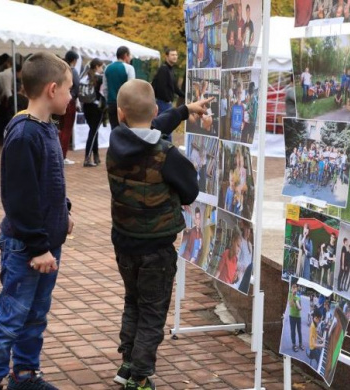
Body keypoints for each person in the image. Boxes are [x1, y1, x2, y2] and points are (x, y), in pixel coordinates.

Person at [0, 52, 74, 390]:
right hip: (27, 248)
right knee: (11, 318)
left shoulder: (47, 127)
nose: (71, 96)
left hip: (47, 242)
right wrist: (37, 246)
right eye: (69, 89)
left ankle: (25, 375)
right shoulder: (23, 134)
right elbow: (19, 198)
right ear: (51, 89)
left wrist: (65, 210)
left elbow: (49, 179)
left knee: (35, 316)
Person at [107, 79, 210, 390]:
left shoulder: (114, 141)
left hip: (124, 243)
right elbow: (190, 190)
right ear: (154, 109)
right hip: (157, 249)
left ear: (120, 114)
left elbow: (148, 126)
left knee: (133, 301)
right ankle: (139, 376)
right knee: (153, 310)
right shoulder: (167, 155)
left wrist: (182, 111)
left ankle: (127, 362)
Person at [102, 46, 135, 131]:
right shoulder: (129, 68)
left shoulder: (107, 68)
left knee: (114, 130)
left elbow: (105, 88)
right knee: (126, 131)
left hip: (111, 103)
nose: (130, 58)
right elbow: (131, 88)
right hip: (125, 105)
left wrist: (108, 100)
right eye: (130, 55)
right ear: (125, 55)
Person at [81, 58, 105, 167]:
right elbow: (103, 93)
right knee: (93, 132)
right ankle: (87, 157)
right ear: (97, 67)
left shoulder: (85, 76)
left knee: (93, 130)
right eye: (101, 67)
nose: (102, 69)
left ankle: (96, 156)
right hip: (96, 107)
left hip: (86, 106)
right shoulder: (99, 78)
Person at [59, 50, 80, 165]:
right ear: (74, 60)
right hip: (69, 102)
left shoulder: (60, 70)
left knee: (60, 128)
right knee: (67, 129)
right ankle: (62, 155)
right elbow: (76, 86)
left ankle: (58, 154)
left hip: (58, 101)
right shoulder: (73, 71)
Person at [151, 48, 183, 118]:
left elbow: (175, 87)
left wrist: (184, 95)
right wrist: (167, 99)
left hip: (167, 103)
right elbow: (161, 88)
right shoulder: (163, 69)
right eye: (172, 55)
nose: (175, 57)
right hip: (162, 103)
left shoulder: (171, 69)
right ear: (166, 57)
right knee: (162, 125)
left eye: (176, 55)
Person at [288, 283, 304, 352]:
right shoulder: (290, 295)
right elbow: (291, 305)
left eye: (295, 289)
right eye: (293, 288)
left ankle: (300, 344)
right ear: (291, 289)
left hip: (298, 316)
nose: (295, 290)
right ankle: (294, 345)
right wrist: (292, 296)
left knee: (299, 331)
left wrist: (299, 307)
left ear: (297, 289)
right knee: (293, 331)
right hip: (292, 316)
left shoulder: (298, 297)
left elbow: (300, 307)